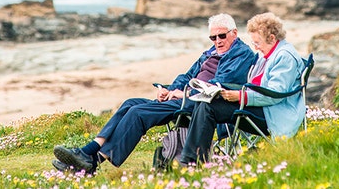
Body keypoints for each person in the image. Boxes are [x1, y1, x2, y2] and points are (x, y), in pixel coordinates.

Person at [51, 12, 257, 174]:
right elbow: (187, 75)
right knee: (130, 103)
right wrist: (168, 90)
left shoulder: (241, 54)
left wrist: (181, 94)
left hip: (201, 104)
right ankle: (90, 153)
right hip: (183, 97)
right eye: (213, 37)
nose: (217, 40)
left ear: (234, 33)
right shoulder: (210, 53)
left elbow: (217, 85)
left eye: (222, 35)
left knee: (138, 113)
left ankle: (90, 159)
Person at [178, 11, 306, 166]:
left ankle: (191, 162)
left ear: (272, 38)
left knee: (208, 107)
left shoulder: (284, 56)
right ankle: (192, 158)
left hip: (274, 113)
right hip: (259, 105)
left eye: (257, 43)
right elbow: (254, 84)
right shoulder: (266, 54)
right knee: (206, 100)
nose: (256, 48)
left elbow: (274, 94)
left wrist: (240, 96)